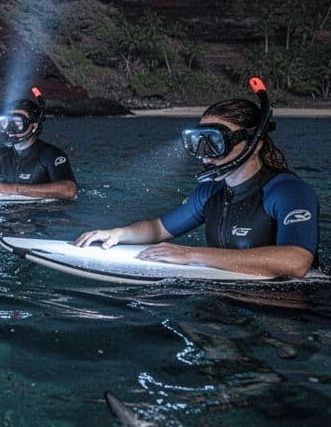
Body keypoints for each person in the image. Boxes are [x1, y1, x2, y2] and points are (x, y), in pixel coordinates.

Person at [74, 81, 318, 279]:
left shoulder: (287, 191)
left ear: (254, 145)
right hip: (231, 302)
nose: (204, 156)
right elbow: (159, 228)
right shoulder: (210, 193)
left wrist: (191, 254)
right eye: (198, 142)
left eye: (214, 142)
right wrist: (118, 233)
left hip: (290, 312)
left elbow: (296, 261)